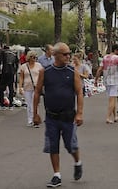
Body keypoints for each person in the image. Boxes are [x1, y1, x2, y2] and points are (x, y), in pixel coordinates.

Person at [32, 42, 84, 187]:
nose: (68, 56)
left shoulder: (72, 71)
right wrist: (35, 114)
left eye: (69, 53)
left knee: (70, 146)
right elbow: (37, 92)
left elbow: (79, 92)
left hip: (68, 117)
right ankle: (57, 175)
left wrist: (79, 113)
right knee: (52, 146)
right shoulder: (45, 71)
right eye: (65, 54)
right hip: (51, 117)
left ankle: (77, 162)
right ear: (55, 55)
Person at [94, 44, 118, 124]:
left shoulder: (105, 57)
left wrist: (96, 79)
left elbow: (100, 69)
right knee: (112, 99)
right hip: (115, 81)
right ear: (117, 50)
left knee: (112, 99)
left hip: (106, 81)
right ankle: (108, 117)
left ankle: (115, 116)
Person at [18, 50, 43, 127]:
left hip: (36, 87)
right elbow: (21, 77)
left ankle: (35, 119)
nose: (34, 58)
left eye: (35, 57)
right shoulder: (24, 66)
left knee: (35, 104)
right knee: (29, 104)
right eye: (33, 57)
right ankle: (30, 119)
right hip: (27, 87)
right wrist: (20, 87)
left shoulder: (39, 65)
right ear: (29, 57)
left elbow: (42, 76)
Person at [0, 45, 19, 110]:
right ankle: (11, 104)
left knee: (1, 89)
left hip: (4, 72)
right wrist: (14, 71)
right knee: (11, 88)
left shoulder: (2, 52)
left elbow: (0, 63)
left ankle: (2, 104)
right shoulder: (14, 53)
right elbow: (17, 64)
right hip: (11, 73)